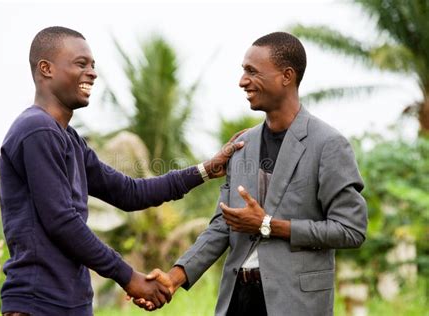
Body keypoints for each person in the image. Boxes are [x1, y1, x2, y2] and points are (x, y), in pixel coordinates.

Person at [0, 26, 243, 316]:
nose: (92, 73)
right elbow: (61, 220)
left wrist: (205, 169)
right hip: (37, 303)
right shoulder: (36, 130)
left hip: (71, 302)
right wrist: (128, 277)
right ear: (46, 68)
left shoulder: (69, 139)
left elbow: (130, 193)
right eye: (81, 64)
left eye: (93, 65)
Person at [136, 31, 368, 315]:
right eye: (243, 71)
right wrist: (173, 278)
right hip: (237, 300)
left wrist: (269, 224)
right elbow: (223, 225)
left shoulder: (329, 145)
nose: (242, 81)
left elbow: (351, 229)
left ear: (287, 76)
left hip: (295, 304)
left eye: (252, 71)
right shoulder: (242, 146)